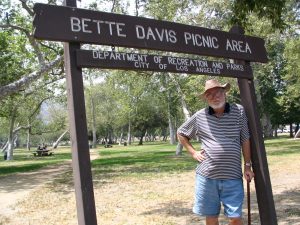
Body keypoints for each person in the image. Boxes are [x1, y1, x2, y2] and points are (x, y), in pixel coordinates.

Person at [177, 79, 254, 225]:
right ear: (206, 98)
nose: (215, 96)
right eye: (209, 94)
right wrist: (193, 152)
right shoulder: (200, 116)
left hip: (232, 176)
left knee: (235, 217)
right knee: (211, 217)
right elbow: (181, 133)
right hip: (207, 177)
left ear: (224, 93)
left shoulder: (239, 111)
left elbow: (245, 138)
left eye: (218, 92)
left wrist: (248, 166)